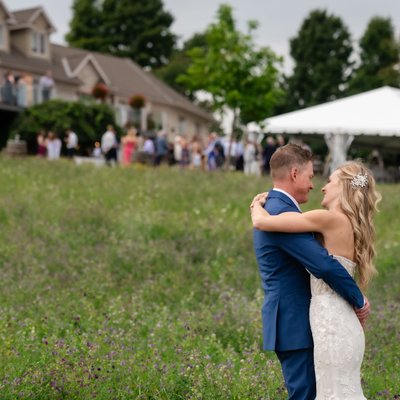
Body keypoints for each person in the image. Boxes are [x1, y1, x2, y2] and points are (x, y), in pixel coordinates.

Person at [249, 144, 371, 400]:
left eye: (327, 180)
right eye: (312, 176)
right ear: (295, 174)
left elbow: (324, 263)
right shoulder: (279, 211)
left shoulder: (276, 210)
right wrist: (359, 300)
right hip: (298, 325)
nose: (317, 185)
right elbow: (324, 264)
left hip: (319, 322)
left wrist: (255, 208)